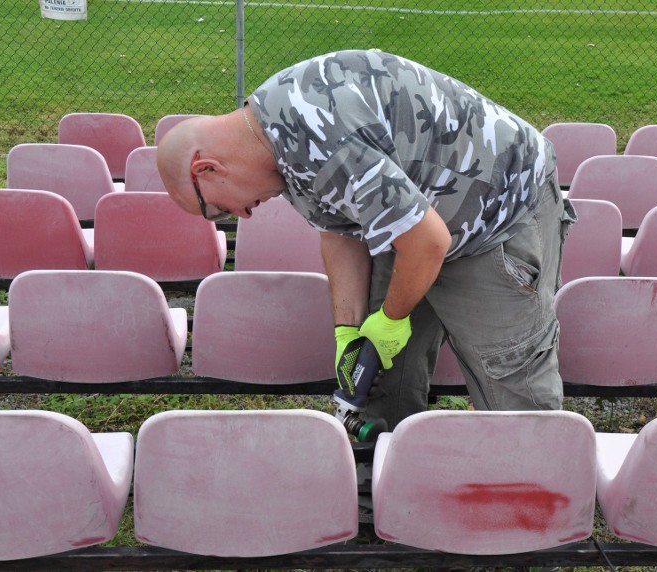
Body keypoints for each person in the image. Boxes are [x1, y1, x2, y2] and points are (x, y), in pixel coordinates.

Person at [158, 49, 576, 430]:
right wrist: (348, 331)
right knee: (378, 378)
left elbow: (428, 242)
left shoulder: (321, 136)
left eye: (219, 210)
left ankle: (534, 504)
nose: (242, 215)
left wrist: (390, 323)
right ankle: (376, 494)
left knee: (512, 389)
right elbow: (340, 230)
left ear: (207, 169)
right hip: (415, 222)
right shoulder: (270, 141)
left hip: (496, 211)